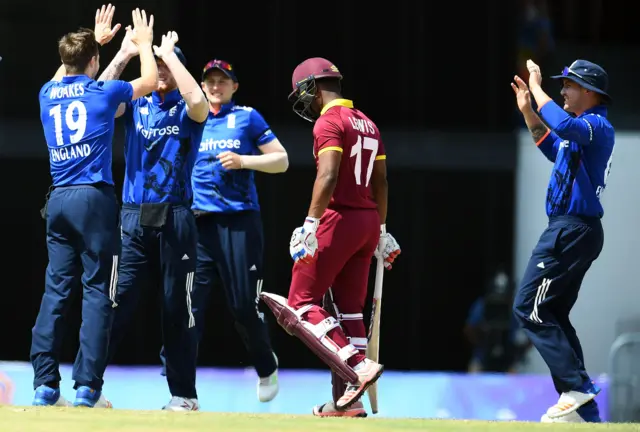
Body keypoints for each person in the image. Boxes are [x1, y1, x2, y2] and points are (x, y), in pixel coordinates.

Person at [31, 5, 158, 408]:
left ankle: (44, 386)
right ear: (93, 62)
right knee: (99, 291)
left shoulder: (46, 93)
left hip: (59, 201)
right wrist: (143, 46)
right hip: (94, 199)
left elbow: (65, 76)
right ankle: (87, 387)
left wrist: (96, 48)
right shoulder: (103, 92)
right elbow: (151, 81)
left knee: (56, 290)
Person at [260, 57, 401, 417]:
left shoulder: (329, 121)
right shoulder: (368, 123)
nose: (304, 103)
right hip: (368, 221)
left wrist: (310, 222)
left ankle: (357, 367)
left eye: (302, 94)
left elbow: (328, 175)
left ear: (311, 87)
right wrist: (382, 230)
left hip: (338, 220)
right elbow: (381, 181)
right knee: (348, 310)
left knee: (300, 305)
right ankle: (344, 403)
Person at [158, 59, 288, 402]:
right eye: (210, 81)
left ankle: (264, 364)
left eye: (222, 82)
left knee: (244, 306)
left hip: (238, 222)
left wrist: (244, 160)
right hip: (196, 226)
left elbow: (282, 159)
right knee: (188, 307)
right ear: (201, 85)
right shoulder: (189, 116)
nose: (215, 87)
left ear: (234, 87)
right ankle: (183, 392)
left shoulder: (246, 117)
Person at [105, 31, 209, 411]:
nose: (162, 70)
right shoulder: (136, 103)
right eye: (158, 65)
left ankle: (184, 395)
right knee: (114, 299)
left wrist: (168, 53)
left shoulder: (187, 107)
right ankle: (89, 388)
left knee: (176, 307)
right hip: (132, 214)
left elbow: (198, 100)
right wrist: (124, 54)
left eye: (168, 64)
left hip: (176, 214)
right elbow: (102, 97)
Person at [511, 59, 615, 423]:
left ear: (588, 91)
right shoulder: (581, 133)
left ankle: (576, 389)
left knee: (527, 307)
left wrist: (536, 88)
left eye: (568, 85)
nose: (562, 91)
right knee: (551, 311)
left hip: (571, 229)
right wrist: (528, 112)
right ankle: (583, 407)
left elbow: (565, 127)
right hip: (573, 229)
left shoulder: (595, 126)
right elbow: (553, 147)